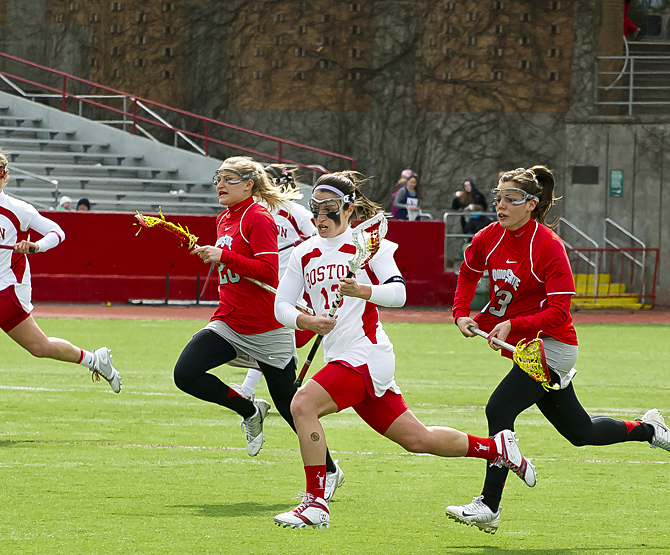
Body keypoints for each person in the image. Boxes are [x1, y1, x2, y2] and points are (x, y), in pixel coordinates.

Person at [270, 170, 535, 529]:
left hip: (367, 354)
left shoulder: (368, 245)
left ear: (348, 209)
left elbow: (399, 293)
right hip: (342, 355)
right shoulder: (304, 253)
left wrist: (364, 290)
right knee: (417, 439)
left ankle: (316, 502)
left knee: (301, 404)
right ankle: (498, 450)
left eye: (329, 208)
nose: (320, 216)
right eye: (315, 208)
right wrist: (306, 321)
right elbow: (281, 305)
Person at [449, 165, 670, 534]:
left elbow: (559, 312)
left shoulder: (548, 246)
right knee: (581, 432)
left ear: (531, 204)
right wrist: (461, 313)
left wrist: (514, 324)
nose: (500, 205)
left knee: (499, 408)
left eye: (510, 199)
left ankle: (489, 506)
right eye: (498, 197)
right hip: (525, 347)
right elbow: (467, 273)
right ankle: (649, 430)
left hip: (554, 346)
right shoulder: (488, 236)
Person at [173, 156, 344, 501]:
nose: (220, 185)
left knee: (290, 406)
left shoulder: (258, 217)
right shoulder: (224, 218)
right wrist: (213, 255)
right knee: (185, 373)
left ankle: (329, 470)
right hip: (229, 320)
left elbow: (268, 272)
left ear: (249, 184)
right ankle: (249, 408)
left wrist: (224, 258)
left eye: (229, 179)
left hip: (267, 327)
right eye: (217, 178)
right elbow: (234, 268)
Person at [0, 148, 121, 421]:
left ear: (6, 177)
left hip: (10, 287)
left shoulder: (18, 209)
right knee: (41, 347)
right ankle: (96, 360)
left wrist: (35, 246)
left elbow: (58, 232)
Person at [231, 163, 317, 401]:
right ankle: (277, 386)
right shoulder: (251, 211)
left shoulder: (295, 212)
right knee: (269, 338)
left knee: (275, 338)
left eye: (267, 180)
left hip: (288, 286)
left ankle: (248, 389)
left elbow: (319, 240)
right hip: (260, 282)